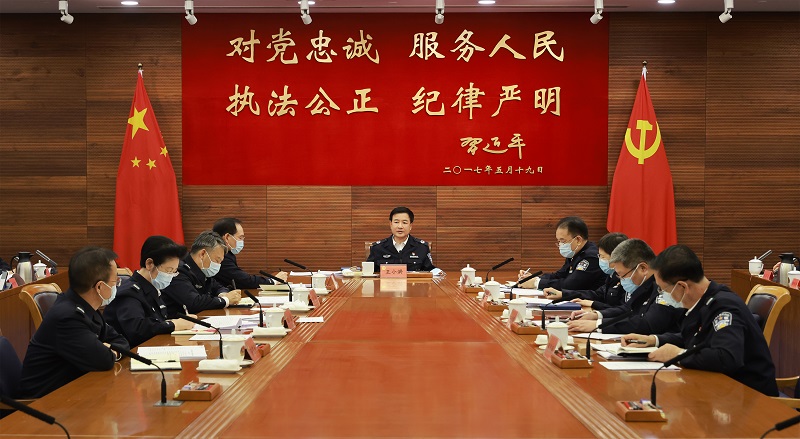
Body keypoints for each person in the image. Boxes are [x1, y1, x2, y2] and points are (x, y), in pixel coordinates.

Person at [622, 245, 778, 396]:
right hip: (719, 390)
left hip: (750, 396)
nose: (661, 295)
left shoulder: (724, 307)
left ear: (682, 286)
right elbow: (696, 338)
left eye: (663, 289)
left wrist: (679, 354)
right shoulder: (702, 301)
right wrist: (654, 340)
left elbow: (727, 357)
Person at [18, 247, 130, 398]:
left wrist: (111, 351)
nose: (118, 285)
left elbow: (121, 341)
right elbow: (103, 360)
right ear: (100, 286)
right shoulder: (67, 317)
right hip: (45, 402)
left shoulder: (85, 307)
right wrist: (109, 351)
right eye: (116, 281)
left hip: (72, 393)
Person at [567, 238, 683, 335]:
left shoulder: (665, 285)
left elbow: (647, 323)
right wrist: (596, 315)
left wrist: (598, 325)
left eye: (622, 275)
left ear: (643, 268)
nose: (621, 280)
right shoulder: (644, 284)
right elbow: (627, 309)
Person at [104, 236, 196, 347]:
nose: (171, 276)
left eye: (174, 271)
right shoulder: (129, 294)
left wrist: (179, 321)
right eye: (168, 270)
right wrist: (173, 324)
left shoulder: (153, 288)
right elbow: (137, 329)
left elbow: (157, 321)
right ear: (149, 264)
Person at [161, 231, 242, 317]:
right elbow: (194, 302)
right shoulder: (178, 270)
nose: (218, 265)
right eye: (217, 260)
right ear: (202, 254)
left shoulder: (203, 270)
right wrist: (225, 300)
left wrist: (223, 294)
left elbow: (218, 287)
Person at [542, 232, 627, 310]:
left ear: (617, 258)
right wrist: (563, 294)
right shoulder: (613, 276)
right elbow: (597, 294)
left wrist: (594, 305)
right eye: (599, 256)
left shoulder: (628, 280)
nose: (600, 260)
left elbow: (625, 310)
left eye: (603, 257)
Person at [518, 216, 605, 291]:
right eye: (559, 241)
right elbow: (559, 275)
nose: (560, 245)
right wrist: (533, 278)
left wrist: (536, 283)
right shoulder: (574, 253)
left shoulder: (591, 257)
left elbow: (571, 285)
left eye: (563, 241)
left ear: (578, 240)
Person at [212, 217, 288, 289]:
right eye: (240, 237)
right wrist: (273, 281)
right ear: (227, 237)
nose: (242, 241)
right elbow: (243, 280)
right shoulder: (220, 256)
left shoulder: (228, 254)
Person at [367, 206, 437, 272]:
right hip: (386, 281)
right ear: (391, 224)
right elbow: (368, 272)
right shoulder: (378, 248)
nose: (400, 226)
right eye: (396, 222)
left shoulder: (421, 248)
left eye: (404, 222)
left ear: (410, 226)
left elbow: (430, 271)